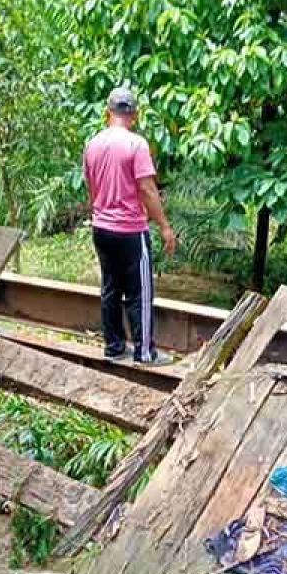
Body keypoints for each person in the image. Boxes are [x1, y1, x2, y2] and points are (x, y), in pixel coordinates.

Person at [82, 87, 177, 366]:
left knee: (110, 288)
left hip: (102, 228)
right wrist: (165, 227)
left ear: (107, 113)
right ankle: (144, 353)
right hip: (130, 231)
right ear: (133, 115)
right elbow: (147, 188)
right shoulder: (137, 145)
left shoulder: (93, 145)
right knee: (140, 292)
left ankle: (113, 348)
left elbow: (92, 187)